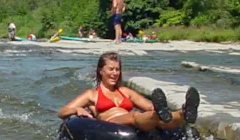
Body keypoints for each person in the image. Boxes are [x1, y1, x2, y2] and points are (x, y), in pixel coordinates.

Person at [58, 52, 199, 130]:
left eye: (117, 69)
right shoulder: (92, 94)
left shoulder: (125, 91)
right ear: (101, 71)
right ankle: (175, 114)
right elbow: (62, 111)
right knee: (135, 116)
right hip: (110, 122)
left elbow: (150, 106)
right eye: (111, 69)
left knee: (157, 115)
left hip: (136, 121)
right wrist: (76, 110)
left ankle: (184, 112)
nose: (115, 73)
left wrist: (158, 108)